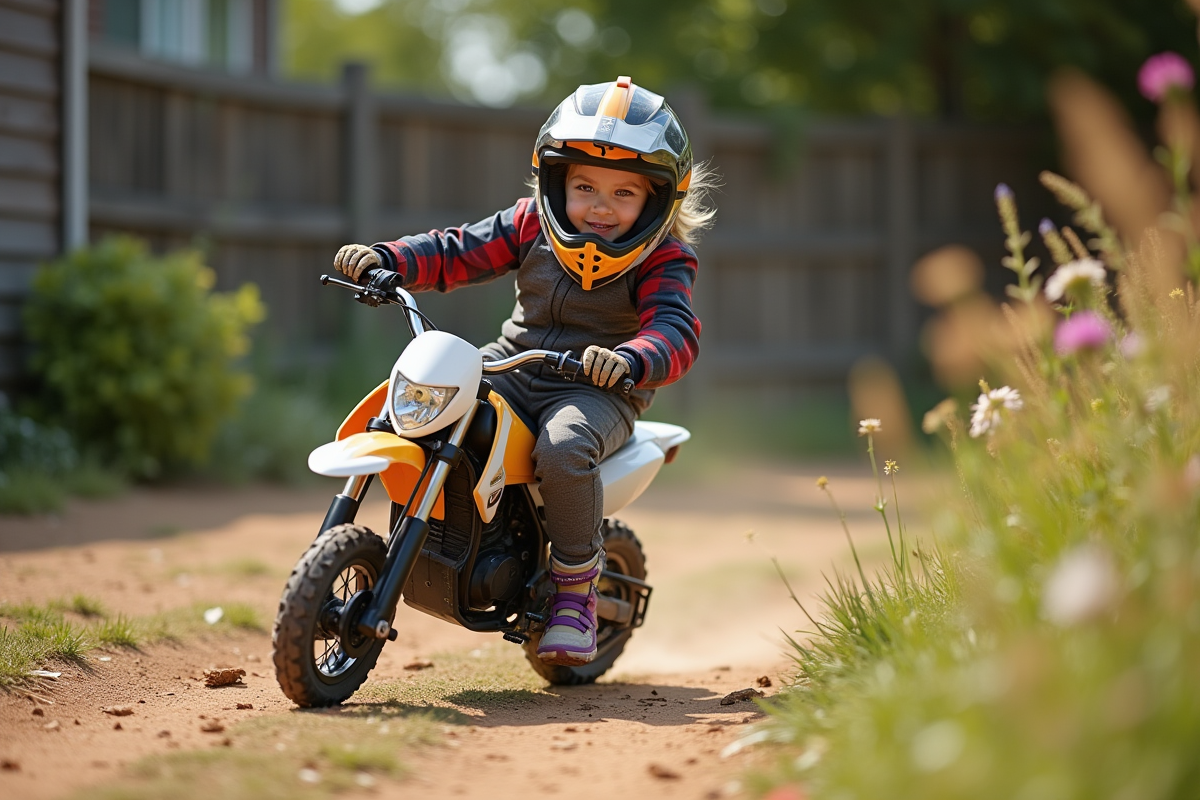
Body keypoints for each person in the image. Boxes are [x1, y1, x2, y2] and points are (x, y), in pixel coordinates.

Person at [333, 76, 716, 666]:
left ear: (659, 200)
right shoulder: (530, 224)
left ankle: (573, 596)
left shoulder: (665, 255)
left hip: (599, 388)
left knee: (563, 447)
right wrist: (391, 259)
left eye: (623, 193)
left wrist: (632, 359)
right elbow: (456, 249)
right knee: (428, 392)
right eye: (585, 186)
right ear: (555, 180)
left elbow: (675, 330)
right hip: (513, 362)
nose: (600, 207)